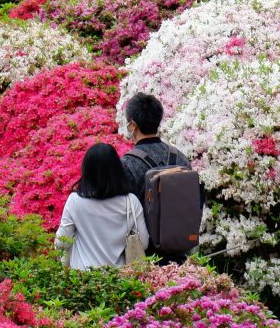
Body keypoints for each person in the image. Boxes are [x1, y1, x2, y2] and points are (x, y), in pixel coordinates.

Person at [120, 92, 202, 265]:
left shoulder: (128, 163)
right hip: (182, 250)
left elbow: (125, 212)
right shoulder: (180, 157)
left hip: (148, 255)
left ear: (132, 125)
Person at [55, 142, 147, 270]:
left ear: (87, 170)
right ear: (117, 169)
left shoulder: (75, 201)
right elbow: (143, 242)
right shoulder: (130, 201)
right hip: (118, 279)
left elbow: (62, 242)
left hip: (82, 279)